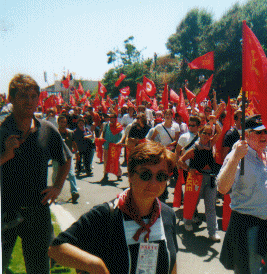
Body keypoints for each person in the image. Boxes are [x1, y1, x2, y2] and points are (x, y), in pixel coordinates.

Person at [48, 141, 179, 274]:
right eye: (146, 174)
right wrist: (96, 265)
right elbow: (56, 249)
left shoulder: (167, 214)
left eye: (161, 176)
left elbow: (172, 263)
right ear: (131, 176)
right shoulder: (105, 215)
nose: (154, 182)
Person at [1, 74, 72, 274]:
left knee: (39, 269)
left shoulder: (47, 130)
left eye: (34, 96)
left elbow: (65, 159)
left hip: (37, 212)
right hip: (5, 210)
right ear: (11, 99)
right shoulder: (1, 131)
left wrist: (57, 187)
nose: (30, 101)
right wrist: (6, 155)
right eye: (23, 96)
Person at [217, 114, 267, 274]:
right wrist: (236, 157)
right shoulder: (237, 157)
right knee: (249, 271)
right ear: (246, 135)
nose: (264, 135)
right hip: (249, 226)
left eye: (265, 131)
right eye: (258, 132)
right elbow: (222, 188)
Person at [178, 123, 222, 241]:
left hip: (210, 178)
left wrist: (214, 120)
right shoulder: (193, 149)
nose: (207, 136)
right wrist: (188, 169)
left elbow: (219, 132)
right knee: (192, 202)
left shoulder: (210, 145)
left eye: (209, 134)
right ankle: (187, 221)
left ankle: (213, 232)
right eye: (204, 133)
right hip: (196, 178)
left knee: (210, 206)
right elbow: (180, 161)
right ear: (200, 133)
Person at [52, 114, 80, 203]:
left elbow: (74, 143)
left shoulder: (70, 133)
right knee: (56, 175)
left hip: (68, 157)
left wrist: (77, 153)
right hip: (57, 157)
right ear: (58, 122)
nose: (63, 124)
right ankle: (54, 193)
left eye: (64, 122)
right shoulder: (55, 133)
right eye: (61, 122)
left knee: (71, 174)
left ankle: (74, 192)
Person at [100, 112, 124, 182]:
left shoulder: (118, 126)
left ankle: (119, 174)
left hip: (115, 146)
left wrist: (121, 141)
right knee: (106, 161)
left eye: (113, 117)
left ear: (115, 118)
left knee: (116, 160)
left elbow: (123, 134)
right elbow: (103, 133)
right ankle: (105, 175)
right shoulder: (106, 125)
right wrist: (101, 138)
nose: (111, 119)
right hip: (107, 145)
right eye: (110, 117)